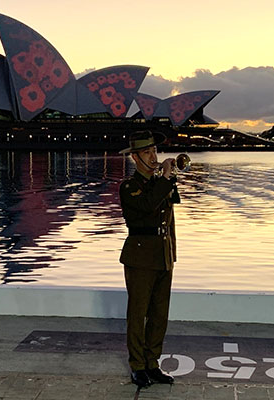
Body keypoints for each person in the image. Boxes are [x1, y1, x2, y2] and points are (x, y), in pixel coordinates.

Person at [118, 130, 180, 387]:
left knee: (159, 314)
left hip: (163, 255)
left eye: (154, 151)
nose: (154, 156)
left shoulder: (159, 183)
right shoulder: (129, 187)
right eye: (147, 152)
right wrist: (165, 178)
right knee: (138, 313)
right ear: (134, 157)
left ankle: (153, 363)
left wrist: (167, 178)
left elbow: (170, 207)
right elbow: (147, 207)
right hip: (141, 256)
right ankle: (137, 365)